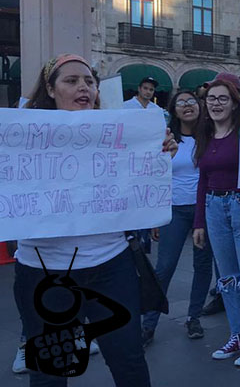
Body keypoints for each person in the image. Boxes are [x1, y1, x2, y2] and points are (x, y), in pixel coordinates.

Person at [14, 54, 176, 387]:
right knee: (49, 371)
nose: (83, 87)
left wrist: (158, 153)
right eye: (71, 81)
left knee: (128, 360)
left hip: (110, 266)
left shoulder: (121, 133)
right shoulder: (20, 138)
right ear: (50, 88)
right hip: (43, 271)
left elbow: (138, 190)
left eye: (89, 81)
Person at [192, 76, 240, 367]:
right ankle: (238, 335)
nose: (215, 104)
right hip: (214, 206)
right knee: (227, 279)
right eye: (211, 98)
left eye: (222, 98)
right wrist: (199, 222)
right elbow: (203, 180)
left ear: (235, 104)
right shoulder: (206, 135)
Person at [141, 90, 213, 345]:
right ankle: (148, 323)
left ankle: (194, 317)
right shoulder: (166, 137)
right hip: (174, 211)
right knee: (164, 267)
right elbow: (152, 175)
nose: (187, 106)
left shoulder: (210, 135)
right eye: (180, 103)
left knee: (203, 266)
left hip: (204, 210)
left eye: (191, 101)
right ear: (173, 110)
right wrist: (154, 216)